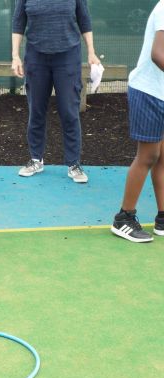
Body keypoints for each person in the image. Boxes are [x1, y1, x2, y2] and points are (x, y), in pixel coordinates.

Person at [11, 0, 100, 183]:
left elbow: (84, 20)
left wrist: (91, 52)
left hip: (68, 56)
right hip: (36, 57)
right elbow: (18, 22)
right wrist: (15, 56)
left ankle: (73, 164)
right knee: (36, 111)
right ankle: (36, 159)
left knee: (69, 111)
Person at [111, 1, 164, 243]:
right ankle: (124, 218)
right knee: (148, 156)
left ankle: (162, 218)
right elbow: (158, 54)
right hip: (148, 92)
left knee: (163, 157)